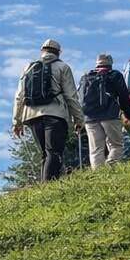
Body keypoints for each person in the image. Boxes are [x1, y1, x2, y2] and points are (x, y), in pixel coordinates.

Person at [13, 39, 85, 182]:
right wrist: (79, 119)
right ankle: (49, 185)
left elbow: (19, 96)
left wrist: (17, 122)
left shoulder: (29, 67)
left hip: (32, 116)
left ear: (42, 51)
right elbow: (71, 96)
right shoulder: (63, 67)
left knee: (44, 154)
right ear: (59, 52)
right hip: (55, 114)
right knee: (53, 152)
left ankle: (45, 185)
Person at [79, 52, 130, 168]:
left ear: (97, 64)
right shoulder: (115, 75)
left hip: (90, 118)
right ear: (110, 63)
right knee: (116, 145)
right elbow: (124, 97)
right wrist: (128, 114)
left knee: (96, 149)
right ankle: (111, 167)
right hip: (110, 115)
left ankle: (98, 173)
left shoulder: (86, 77)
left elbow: (80, 99)